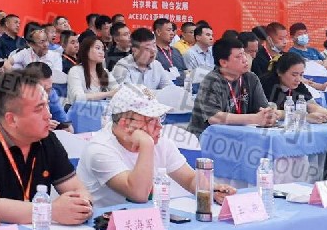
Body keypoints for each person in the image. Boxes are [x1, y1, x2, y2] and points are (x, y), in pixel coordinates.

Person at [0, 70, 91, 225]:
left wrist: (82, 205)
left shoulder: (46, 139)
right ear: (12, 120)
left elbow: (77, 189)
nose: (49, 115)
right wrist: (50, 211)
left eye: (47, 105)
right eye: (39, 109)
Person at [79, 85, 219, 209]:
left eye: (160, 118)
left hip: (150, 220)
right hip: (105, 225)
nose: (160, 126)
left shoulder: (160, 141)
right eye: (151, 120)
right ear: (125, 124)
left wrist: (213, 190)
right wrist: (146, 145)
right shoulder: (100, 149)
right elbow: (139, 194)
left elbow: (189, 179)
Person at [188, 36, 279, 135]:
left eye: (244, 54)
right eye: (238, 57)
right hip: (208, 137)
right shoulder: (212, 81)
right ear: (223, 62)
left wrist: (268, 115)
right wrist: (254, 118)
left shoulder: (251, 78)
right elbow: (214, 118)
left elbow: (263, 108)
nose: (245, 59)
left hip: (239, 135)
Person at [267, 52, 327, 123]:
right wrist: (305, 117)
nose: (298, 79)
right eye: (294, 75)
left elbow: (311, 106)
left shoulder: (298, 85)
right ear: (279, 72)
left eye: (301, 75)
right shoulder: (267, 84)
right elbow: (272, 112)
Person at [110, 27, 172, 91]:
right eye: (147, 48)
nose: (153, 51)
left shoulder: (156, 65)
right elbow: (128, 93)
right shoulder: (122, 67)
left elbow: (169, 88)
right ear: (135, 50)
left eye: (154, 46)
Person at [68, 34, 115, 104]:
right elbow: (78, 97)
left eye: (103, 49)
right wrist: (108, 94)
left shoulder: (105, 72)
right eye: (97, 48)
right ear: (86, 51)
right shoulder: (75, 71)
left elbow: (116, 89)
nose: (101, 52)